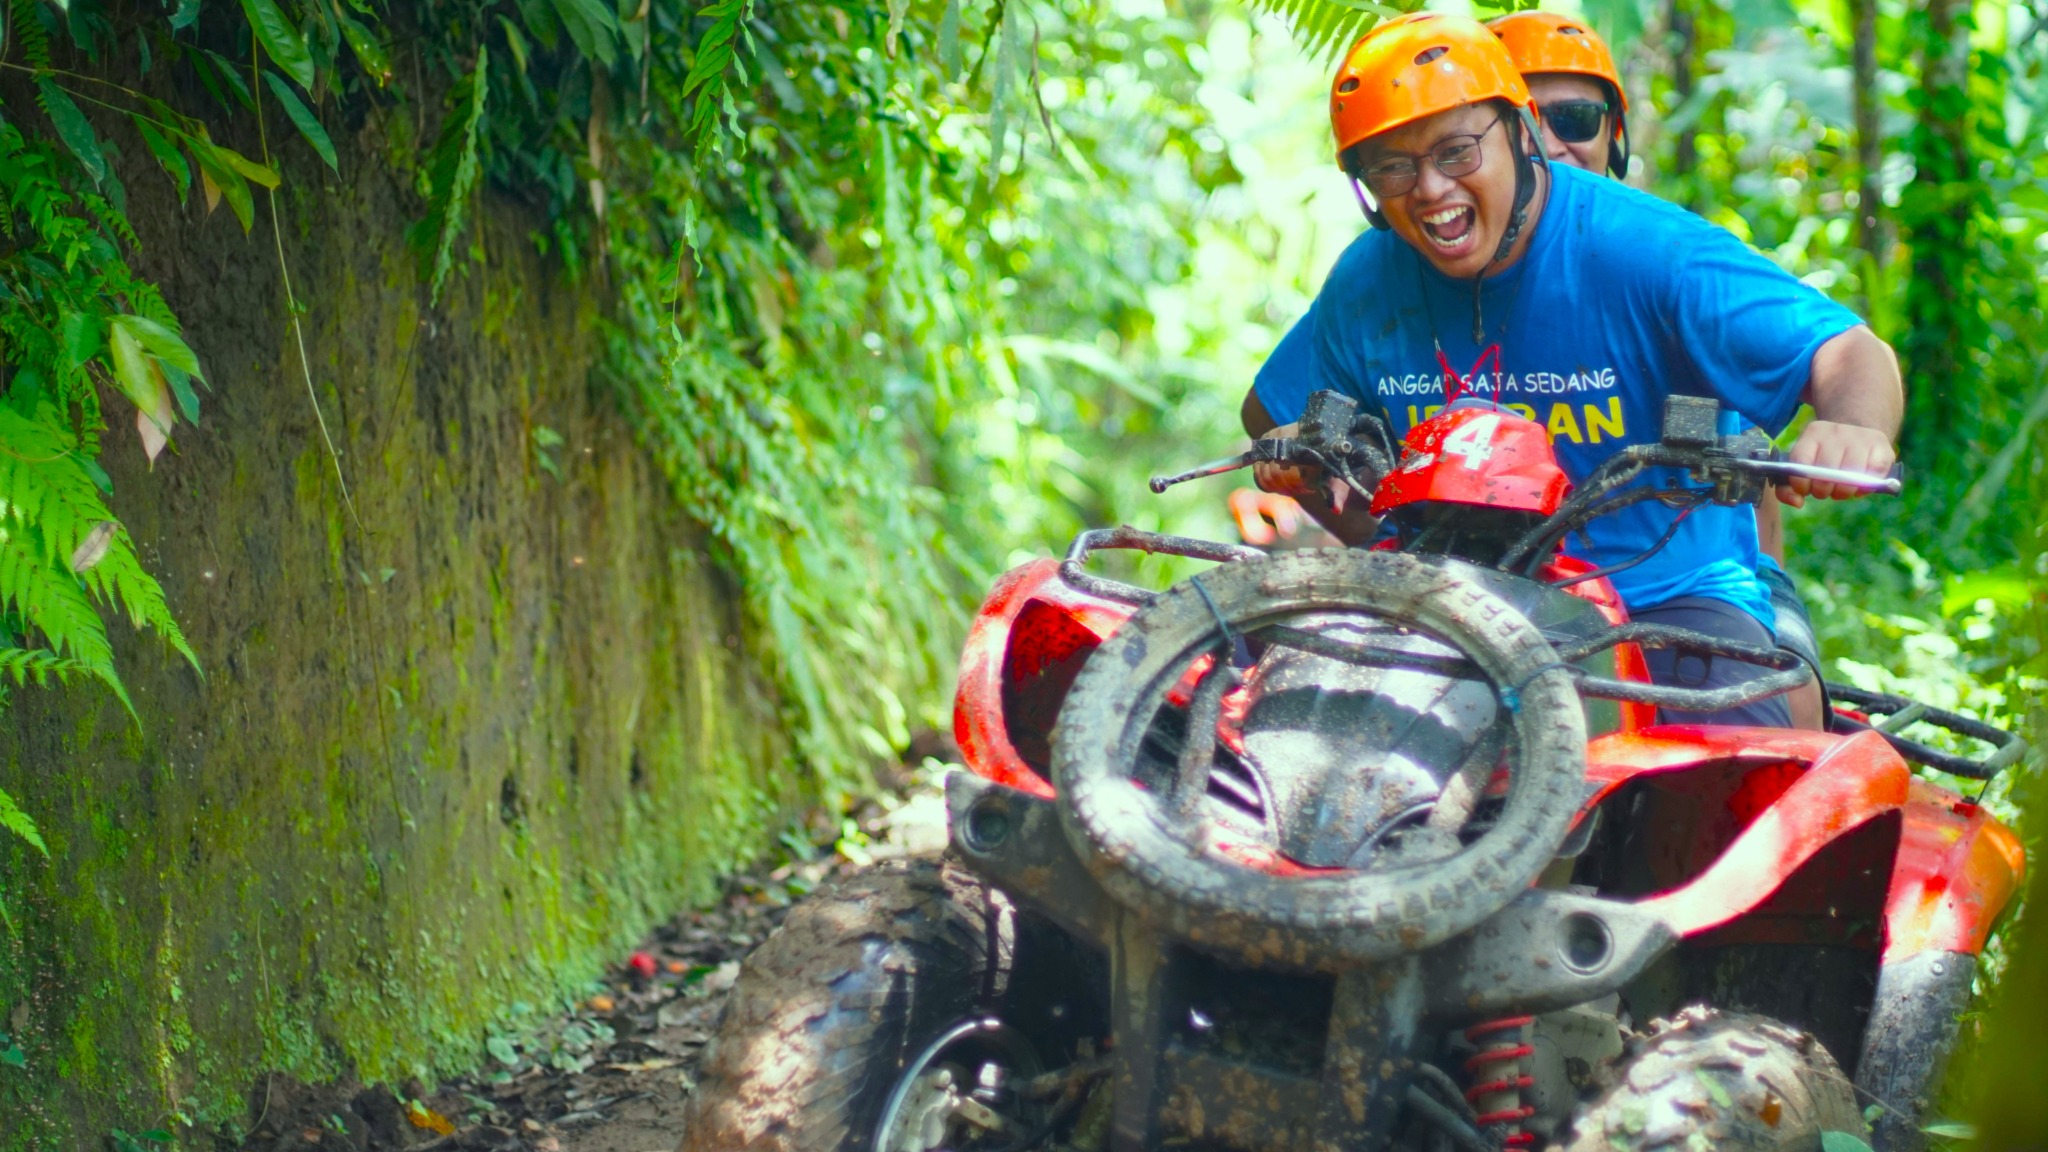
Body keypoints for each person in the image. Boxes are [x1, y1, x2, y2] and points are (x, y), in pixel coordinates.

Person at [1239, 12, 1900, 728]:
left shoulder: (1646, 249)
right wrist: (1353, 512)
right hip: (1443, 596)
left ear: (1520, 135)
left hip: (1659, 599)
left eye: (1457, 151)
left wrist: (1854, 428)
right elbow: (1270, 411)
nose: (1428, 188)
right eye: (1392, 166)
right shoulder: (1368, 278)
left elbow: (1847, 349)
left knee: (1726, 770)